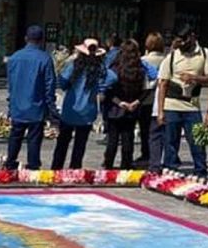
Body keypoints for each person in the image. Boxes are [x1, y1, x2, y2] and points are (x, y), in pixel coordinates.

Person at [51, 39, 116, 170]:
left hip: (70, 109)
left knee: (62, 142)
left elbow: (62, 82)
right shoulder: (100, 69)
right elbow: (113, 77)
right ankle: (75, 170)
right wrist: (101, 87)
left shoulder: (74, 66)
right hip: (88, 110)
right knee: (80, 144)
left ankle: (56, 169)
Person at [157, 25, 208, 178]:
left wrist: (194, 78)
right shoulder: (173, 56)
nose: (181, 44)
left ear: (192, 37)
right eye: (178, 41)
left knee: (197, 142)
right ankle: (170, 170)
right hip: (171, 104)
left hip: (192, 106)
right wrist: (160, 111)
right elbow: (163, 84)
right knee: (170, 142)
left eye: (184, 40)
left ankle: (200, 172)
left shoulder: (204, 54)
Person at [4, 25, 57, 170]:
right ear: (41, 40)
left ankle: (10, 163)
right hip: (36, 106)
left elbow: (10, 84)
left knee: (15, 136)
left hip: (17, 105)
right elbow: (49, 86)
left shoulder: (14, 58)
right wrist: (51, 107)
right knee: (34, 139)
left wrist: (10, 103)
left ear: (26, 38)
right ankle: (33, 165)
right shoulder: (45, 59)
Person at [105, 40, 154, 169]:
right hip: (132, 108)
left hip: (115, 108)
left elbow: (107, 89)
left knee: (112, 140)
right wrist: (136, 102)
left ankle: (108, 165)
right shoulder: (140, 69)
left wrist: (119, 102)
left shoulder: (114, 68)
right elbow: (147, 89)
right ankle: (126, 166)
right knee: (128, 139)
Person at [142, 33, 167, 171]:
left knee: (147, 130)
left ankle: (147, 155)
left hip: (146, 98)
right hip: (161, 100)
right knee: (160, 131)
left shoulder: (144, 60)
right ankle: (158, 156)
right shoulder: (166, 59)